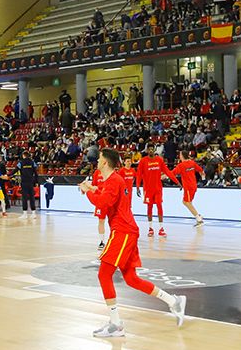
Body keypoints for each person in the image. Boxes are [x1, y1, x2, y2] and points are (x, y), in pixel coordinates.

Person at [79, 148, 186, 338]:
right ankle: (173, 301)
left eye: (99, 159)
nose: (96, 161)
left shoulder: (114, 180)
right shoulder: (113, 180)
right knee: (131, 279)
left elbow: (103, 203)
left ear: (105, 162)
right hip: (126, 231)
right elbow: (107, 195)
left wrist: (88, 192)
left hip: (123, 232)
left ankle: (116, 324)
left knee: (104, 274)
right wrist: (94, 188)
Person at [137, 145, 175, 236]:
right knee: (149, 207)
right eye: (149, 149)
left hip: (158, 188)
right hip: (148, 189)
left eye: (152, 149)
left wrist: (176, 181)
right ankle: (150, 228)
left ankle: (161, 228)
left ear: (154, 150)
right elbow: (138, 174)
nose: (150, 150)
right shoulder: (143, 161)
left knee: (159, 206)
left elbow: (167, 171)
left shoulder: (159, 160)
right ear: (147, 150)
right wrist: (138, 186)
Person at [171, 150, 204, 225]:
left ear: (182, 156)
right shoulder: (192, 163)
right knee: (185, 202)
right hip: (193, 186)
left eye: (180, 155)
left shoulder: (181, 165)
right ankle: (198, 216)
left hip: (188, 187)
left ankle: (198, 218)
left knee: (187, 202)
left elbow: (172, 173)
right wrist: (203, 179)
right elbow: (200, 170)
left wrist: (163, 176)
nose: (179, 156)